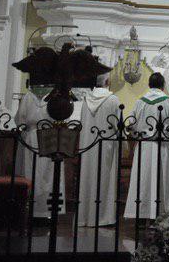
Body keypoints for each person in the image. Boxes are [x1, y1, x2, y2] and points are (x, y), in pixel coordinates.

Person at [14, 83, 81, 223]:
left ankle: (33, 210)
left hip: (32, 137)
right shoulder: (54, 97)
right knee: (49, 175)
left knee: (34, 173)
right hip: (50, 136)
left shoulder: (29, 96)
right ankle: (47, 212)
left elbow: (20, 119)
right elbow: (64, 118)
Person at [125, 72, 169, 220]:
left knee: (143, 180)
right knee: (163, 180)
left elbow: (130, 125)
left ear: (149, 85)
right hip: (163, 146)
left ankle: (142, 212)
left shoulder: (140, 102)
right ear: (163, 86)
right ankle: (163, 213)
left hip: (144, 146)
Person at [76, 75, 121, 227]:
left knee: (87, 178)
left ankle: (84, 218)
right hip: (106, 144)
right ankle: (103, 217)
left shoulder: (86, 100)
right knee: (105, 179)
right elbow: (118, 125)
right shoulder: (113, 99)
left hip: (87, 144)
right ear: (108, 82)